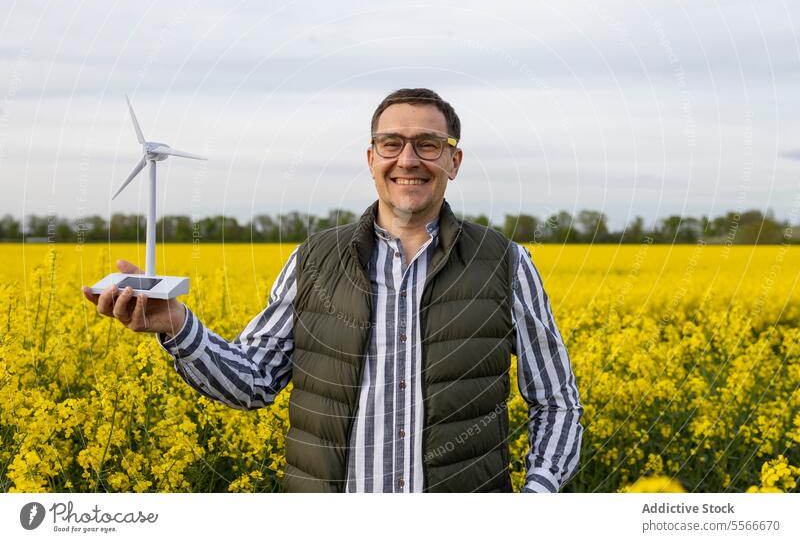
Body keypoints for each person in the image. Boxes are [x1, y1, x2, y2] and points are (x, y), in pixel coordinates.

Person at [82, 87, 584, 493]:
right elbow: (253, 381)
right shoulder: (313, 261)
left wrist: (534, 502)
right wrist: (178, 326)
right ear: (371, 159)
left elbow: (558, 403)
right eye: (392, 144)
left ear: (453, 161)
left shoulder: (505, 263)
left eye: (428, 145)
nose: (408, 159)